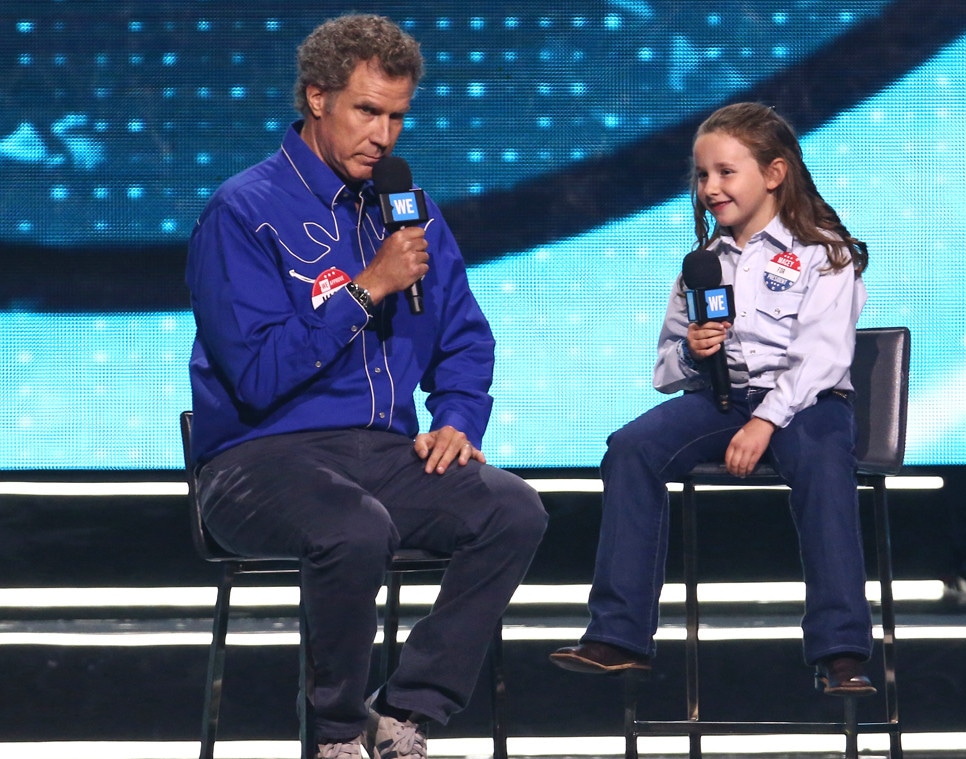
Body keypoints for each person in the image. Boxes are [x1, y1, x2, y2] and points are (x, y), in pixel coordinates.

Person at [185, 14, 548, 759]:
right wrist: (366, 288)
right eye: (367, 111)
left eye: (396, 116)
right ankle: (338, 731)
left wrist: (456, 417)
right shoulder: (243, 211)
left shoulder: (409, 212)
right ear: (317, 98)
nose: (383, 136)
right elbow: (255, 374)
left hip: (380, 453)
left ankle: (405, 711)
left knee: (512, 509)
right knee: (354, 527)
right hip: (258, 459)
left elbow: (464, 337)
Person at [549, 101, 876, 697]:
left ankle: (842, 651)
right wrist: (695, 353)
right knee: (631, 448)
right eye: (703, 175)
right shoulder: (700, 266)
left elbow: (822, 359)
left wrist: (765, 424)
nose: (710, 187)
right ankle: (619, 636)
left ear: (774, 174)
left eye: (726, 172)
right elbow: (664, 371)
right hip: (722, 400)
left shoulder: (825, 252)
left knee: (826, 465)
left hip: (806, 404)